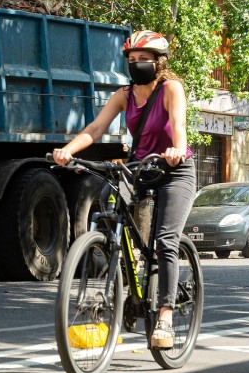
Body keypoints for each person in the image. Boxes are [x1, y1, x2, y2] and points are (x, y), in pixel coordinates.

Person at [52, 30, 195, 349]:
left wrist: (177, 149)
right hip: (141, 169)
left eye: (144, 59)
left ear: (160, 62)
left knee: (165, 241)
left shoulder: (171, 88)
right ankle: (129, 286)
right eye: (132, 60)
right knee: (108, 205)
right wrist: (68, 150)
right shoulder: (124, 95)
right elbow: (96, 128)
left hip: (173, 168)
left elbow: (180, 126)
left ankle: (166, 317)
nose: (137, 64)